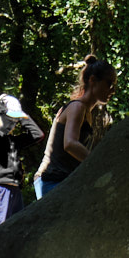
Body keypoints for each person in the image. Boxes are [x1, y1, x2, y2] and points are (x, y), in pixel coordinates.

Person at [34, 56, 116, 199]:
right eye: (109, 83)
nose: (113, 90)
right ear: (92, 80)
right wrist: (99, 163)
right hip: (50, 180)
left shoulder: (86, 113)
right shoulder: (77, 107)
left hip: (61, 180)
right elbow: (70, 144)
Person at [0, 92, 45, 232]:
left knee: (17, 231)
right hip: (0, 189)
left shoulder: (12, 140)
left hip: (15, 190)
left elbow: (37, 135)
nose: (12, 125)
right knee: (1, 230)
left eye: (15, 122)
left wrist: (22, 116)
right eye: (9, 119)